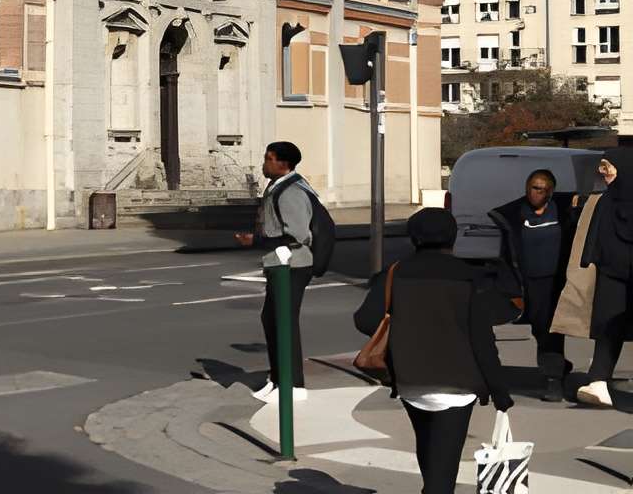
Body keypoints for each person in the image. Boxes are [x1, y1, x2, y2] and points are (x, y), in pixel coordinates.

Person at [353, 208, 512, 494]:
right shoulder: (470, 276)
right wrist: (499, 391)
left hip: (410, 381)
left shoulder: (394, 273)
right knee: (443, 471)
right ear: (454, 236)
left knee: (429, 452)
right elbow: (483, 341)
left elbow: (365, 320)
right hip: (457, 385)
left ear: (413, 238)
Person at [233, 141, 318, 396]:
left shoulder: (291, 191)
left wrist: (256, 241)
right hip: (280, 264)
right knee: (271, 320)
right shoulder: (277, 186)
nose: (264, 163)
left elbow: (299, 234)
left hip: (292, 265)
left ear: (282, 163)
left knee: (284, 323)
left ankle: (293, 386)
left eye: (268, 159)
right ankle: (278, 379)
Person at [492, 167, 578, 401]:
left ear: (551, 192)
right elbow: (506, 252)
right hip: (526, 282)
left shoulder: (562, 212)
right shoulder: (515, 215)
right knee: (539, 328)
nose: (538, 193)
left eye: (544, 189)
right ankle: (559, 366)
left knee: (551, 329)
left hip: (555, 282)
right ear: (527, 189)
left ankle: (554, 381)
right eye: (535, 188)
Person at [577, 155, 633, 407]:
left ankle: (600, 381)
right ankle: (599, 381)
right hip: (612, 275)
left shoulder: (609, 200)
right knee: (608, 330)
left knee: (611, 329)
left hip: (613, 272)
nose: (604, 172)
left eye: (610, 166)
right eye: (603, 167)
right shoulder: (607, 199)